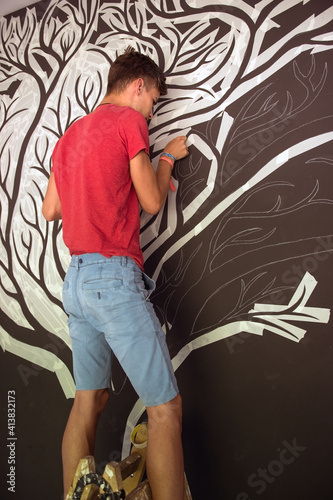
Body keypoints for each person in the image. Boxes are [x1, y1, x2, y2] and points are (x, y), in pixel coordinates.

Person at [42, 46, 189, 500]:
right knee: (165, 409)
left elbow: (50, 210)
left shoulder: (69, 136)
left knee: (89, 400)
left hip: (76, 283)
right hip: (113, 280)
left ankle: (76, 494)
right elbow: (150, 200)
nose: (152, 109)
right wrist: (166, 159)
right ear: (138, 85)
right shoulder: (129, 122)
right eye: (154, 101)